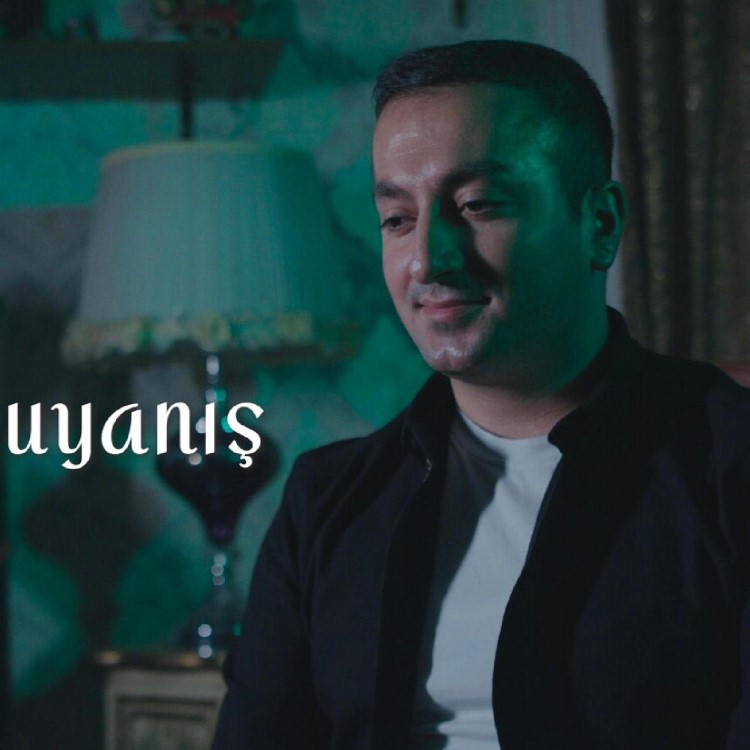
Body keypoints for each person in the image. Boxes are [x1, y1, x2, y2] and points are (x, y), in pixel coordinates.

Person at [211, 40, 750, 750]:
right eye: (398, 219)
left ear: (600, 224)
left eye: (477, 205)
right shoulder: (327, 501)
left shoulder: (726, 464)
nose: (430, 258)